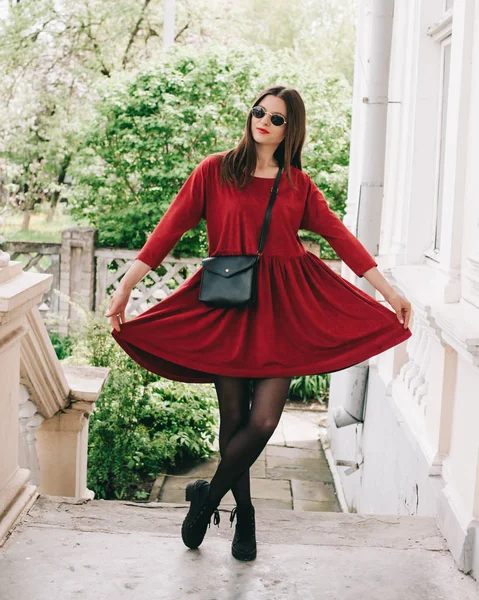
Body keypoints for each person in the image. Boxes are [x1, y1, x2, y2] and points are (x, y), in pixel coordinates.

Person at [106, 85, 413, 561]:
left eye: (277, 118)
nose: (264, 121)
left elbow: (341, 238)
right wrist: (127, 284)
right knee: (233, 420)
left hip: (282, 312)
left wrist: (389, 290)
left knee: (263, 420)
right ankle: (244, 516)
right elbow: (170, 227)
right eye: (259, 112)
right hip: (228, 306)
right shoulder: (214, 170)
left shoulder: (297, 184)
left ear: (292, 129)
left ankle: (207, 498)